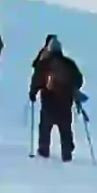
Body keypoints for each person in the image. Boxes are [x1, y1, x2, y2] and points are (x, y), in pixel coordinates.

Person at [29, 34, 84, 162]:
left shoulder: (44, 64)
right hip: (65, 102)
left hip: (48, 101)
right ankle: (67, 153)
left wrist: (33, 92)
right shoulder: (69, 63)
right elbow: (79, 80)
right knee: (65, 128)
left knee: (45, 127)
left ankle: (43, 151)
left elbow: (37, 79)